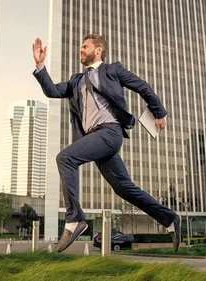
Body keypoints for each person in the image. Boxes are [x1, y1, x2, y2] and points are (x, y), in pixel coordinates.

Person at [32, 34, 181, 253]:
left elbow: (143, 87)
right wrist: (40, 65)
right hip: (95, 138)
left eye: (85, 46)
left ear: (99, 49)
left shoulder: (113, 70)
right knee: (124, 188)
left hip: (110, 132)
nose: (80, 50)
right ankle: (169, 218)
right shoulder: (76, 80)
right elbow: (52, 91)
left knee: (65, 158)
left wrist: (158, 113)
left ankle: (75, 220)